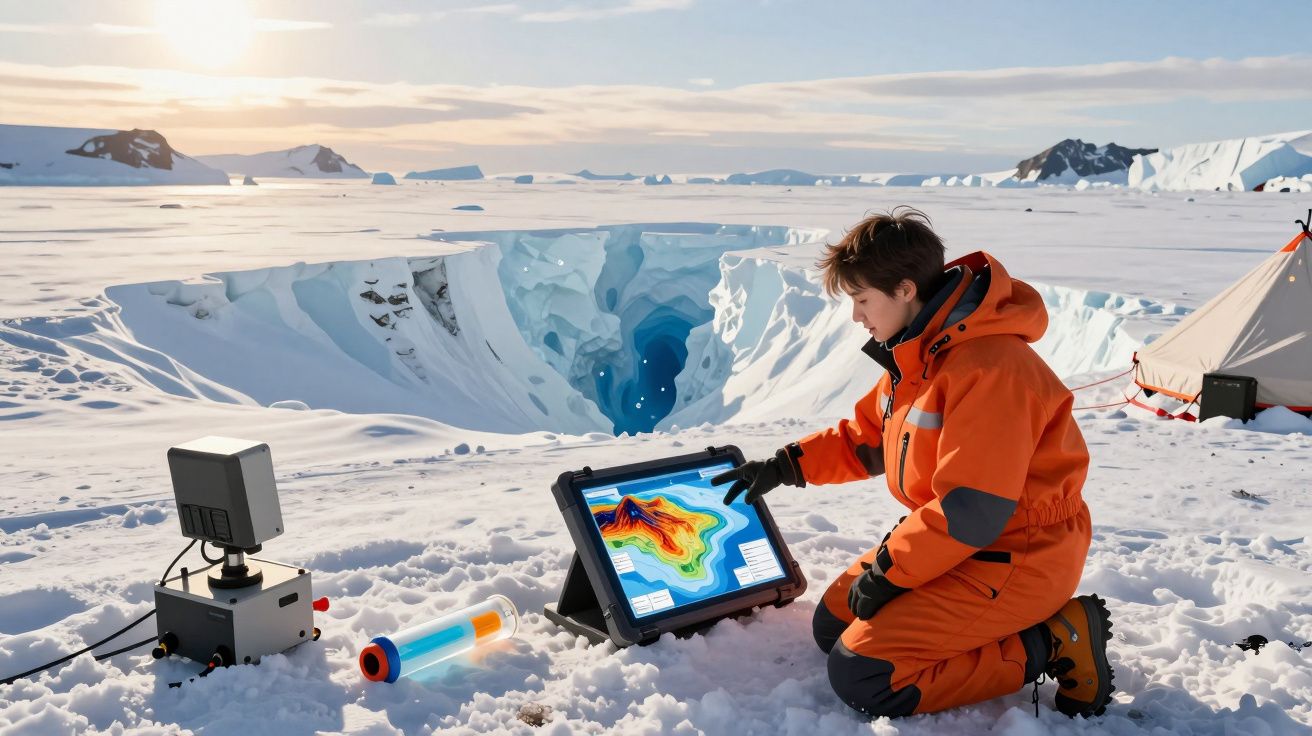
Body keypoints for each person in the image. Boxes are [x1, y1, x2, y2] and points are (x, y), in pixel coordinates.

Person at [712, 207, 1113, 719]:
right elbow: (868, 437)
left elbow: (972, 509)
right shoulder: (921, 353)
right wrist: (783, 467)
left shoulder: (991, 370)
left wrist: (891, 572)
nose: (857, 316)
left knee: (866, 676)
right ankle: (981, 627)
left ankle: (1053, 637)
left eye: (861, 300)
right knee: (833, 625)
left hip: (1019, 554)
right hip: (961, 543)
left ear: (904, 290)